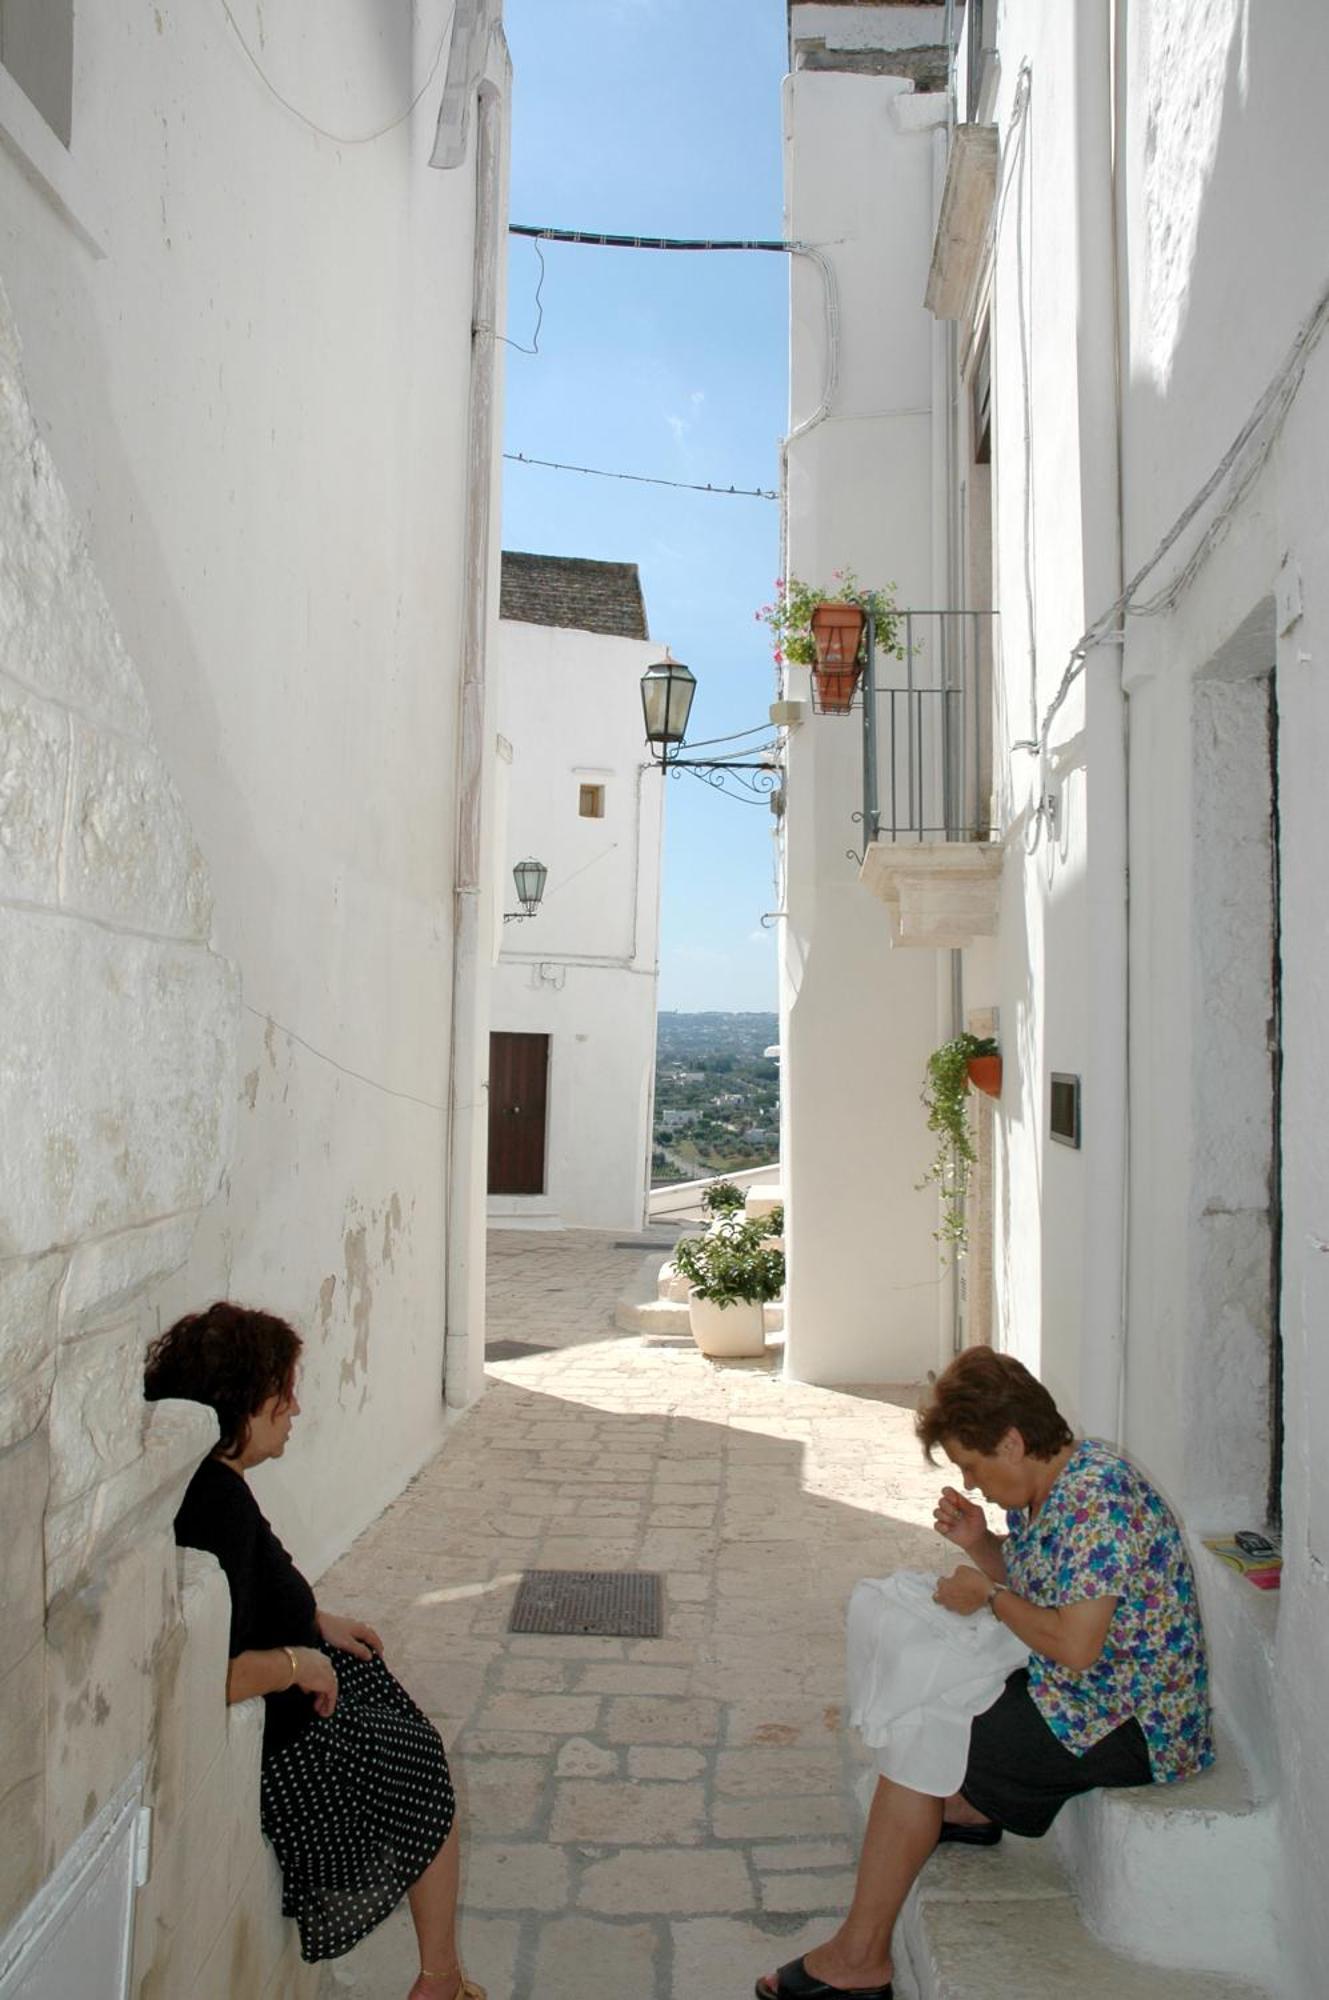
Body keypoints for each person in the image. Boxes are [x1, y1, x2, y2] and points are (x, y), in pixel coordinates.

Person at [755, 1347, 1213, 2000]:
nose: (971, 1484)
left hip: (1128, 1726)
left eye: (972, 1466)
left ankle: (858, 1959)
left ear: (1010, 1440)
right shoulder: (1060, 1478)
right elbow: (1047, 1595)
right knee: (929, 1680)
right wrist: (980, 1543)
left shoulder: (1095, 1499)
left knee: (921, 1730)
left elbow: (1074, 1645)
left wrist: (987, 1596)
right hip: (1084, 1696)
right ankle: (967, 1809)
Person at [145, 1301, 483, 2000]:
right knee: (425, 1781)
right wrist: (302, 1663)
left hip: (302, 1685)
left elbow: (255, 1590)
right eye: (283, 1395)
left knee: (397, 1716)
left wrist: (317, 1621)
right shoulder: (216, 1507)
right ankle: (440, 1980)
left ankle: (441, 1974)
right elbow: (217, 1672)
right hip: (289, 1744)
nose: (294, 1410)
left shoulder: (215, 1482)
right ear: (245, 1405)